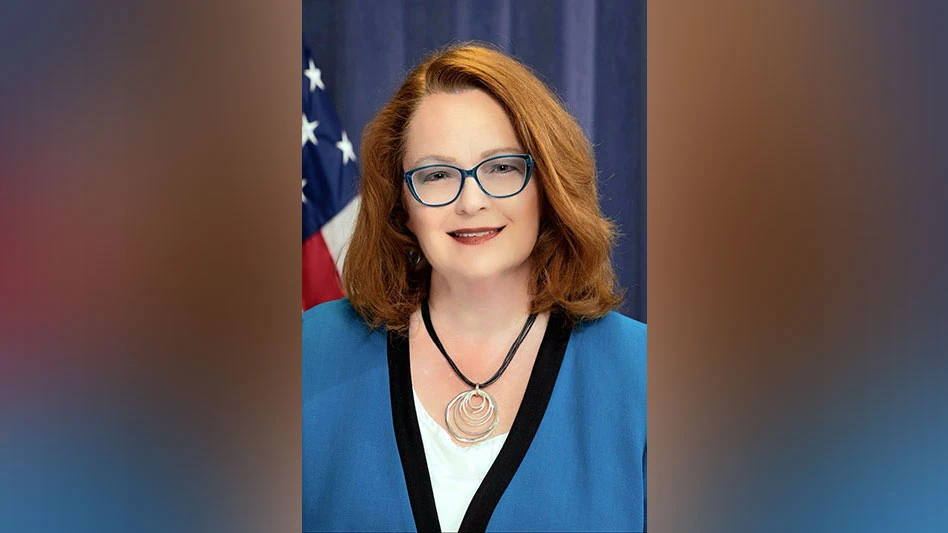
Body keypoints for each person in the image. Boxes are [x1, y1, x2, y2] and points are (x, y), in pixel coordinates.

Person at [302, 43, 646, 532]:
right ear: (401, 204)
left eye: (501, 167)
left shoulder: (646, 375)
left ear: (547, 185)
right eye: (437, 174)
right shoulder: (306, 353)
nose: (470, 201)